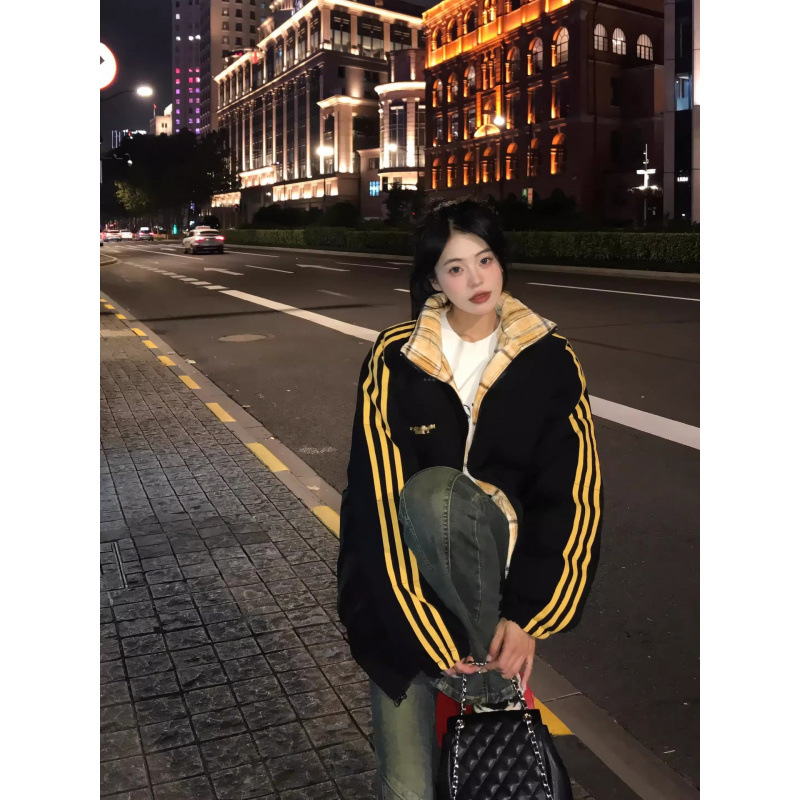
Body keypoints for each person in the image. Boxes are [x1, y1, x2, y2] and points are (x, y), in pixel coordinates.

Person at [337, 199, 602, 800]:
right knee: (407, 787)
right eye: (455, 268)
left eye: (484, 260)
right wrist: (426, 631)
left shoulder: (549, 359)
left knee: (489, 782)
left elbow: (572, 497)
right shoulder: (396, 357)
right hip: (401, 600)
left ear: (501, 261)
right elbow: (375, 499)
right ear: (434, 280)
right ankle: (488, 686)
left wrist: (528, 619)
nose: (476, 279)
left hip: (496, 598)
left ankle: (485, 677)